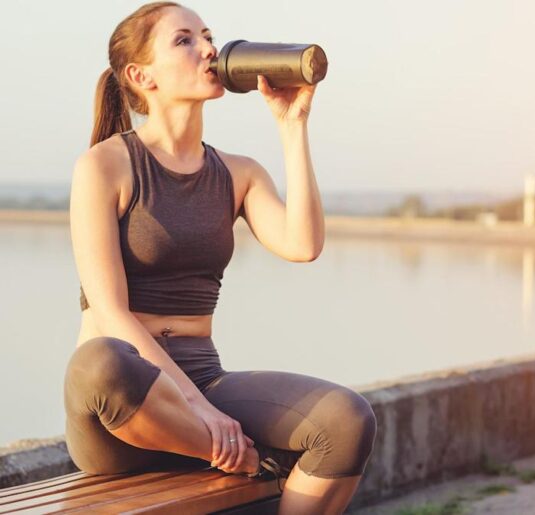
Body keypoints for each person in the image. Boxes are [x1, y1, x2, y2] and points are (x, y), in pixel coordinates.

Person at [63, 2, 377, 513]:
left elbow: (304, 245)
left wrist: (292, 124)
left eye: (208, 36)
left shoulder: (238, 173)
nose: (209, 49)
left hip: (204, 382)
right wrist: (205, 420)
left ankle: (227, 450)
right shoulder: (104, 167)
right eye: (184, 40)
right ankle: (239, 456)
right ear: (141, 75)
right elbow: (111, 313)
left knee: (348, 419)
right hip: (123, 410)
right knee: (101, 361)